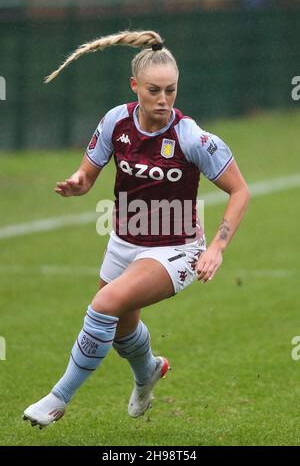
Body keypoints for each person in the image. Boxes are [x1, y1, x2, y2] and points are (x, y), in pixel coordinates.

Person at [23, 30, 250, 429]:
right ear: (135, 87)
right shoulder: (116, 121)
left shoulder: (191, 136)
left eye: (171, 91)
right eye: (154, 91)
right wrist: (78, 182)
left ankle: (58, 398)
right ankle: (148, 372)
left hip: (176, 249)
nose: (163, 100)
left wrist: (216, 247)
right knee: (121, 331)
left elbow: (240, 190)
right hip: (124, 241)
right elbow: (88, 173)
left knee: (104, 306)